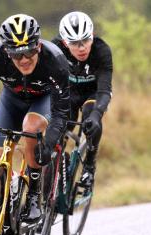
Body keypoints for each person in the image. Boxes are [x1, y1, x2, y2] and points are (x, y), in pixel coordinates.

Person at [0, 14, 70, 226]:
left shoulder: (55, 60)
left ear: (38, 45)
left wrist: (49, 142)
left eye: (29, 51)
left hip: (43, 101)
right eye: (17, 55)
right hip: (11, 101)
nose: (24, 59)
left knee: (31, 126)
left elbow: (62, 111)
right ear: (7, 52)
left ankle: (34, 196)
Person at [52, 11, 113, 190]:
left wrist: (97, 114)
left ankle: (89, 165)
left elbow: (104, 90)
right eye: (74, 43)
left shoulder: (102, 50)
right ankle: (57, 163)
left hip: (92, 94)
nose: (81, 48)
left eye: (85, 40)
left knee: (90, 117)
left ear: (92, 36)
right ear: (64, 42)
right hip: (68, 93)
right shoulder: (55, 50)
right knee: (59, 128)